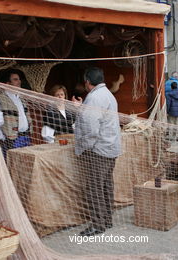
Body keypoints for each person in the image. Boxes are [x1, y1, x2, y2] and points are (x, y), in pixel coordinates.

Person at [72, 67, 122, 236]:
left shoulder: (93, 98)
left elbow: (90, 127)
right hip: (110, 147)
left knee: (95, 188)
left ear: (87, 82)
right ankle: (107, 220)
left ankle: (97, 224)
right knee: (106, 185)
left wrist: (86, 146)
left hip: (98, 149)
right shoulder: (108, 94)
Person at [0, 69, 32, 157]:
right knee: (13, 164)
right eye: (15, 79)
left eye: (19, 79)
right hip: (11, 140)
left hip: (25, 138)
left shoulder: (21, 99)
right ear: (7, 83)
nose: (19, 81)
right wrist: (3, 138)